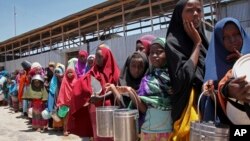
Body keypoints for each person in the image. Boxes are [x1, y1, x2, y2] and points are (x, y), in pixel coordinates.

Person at [107, 38, 173, 141]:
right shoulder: (147, 80)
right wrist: (129, 91)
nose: (155, 55)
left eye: (159, 52)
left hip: (168, 132)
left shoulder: (175, 78)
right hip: (147, 131)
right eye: (151, 53)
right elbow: (143, 108)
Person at [164, 0, 209, 140]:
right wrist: (196, 45)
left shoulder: (204, 40)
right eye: (189, 10)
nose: (195, 14)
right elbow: (181, 79)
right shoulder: (173, 43)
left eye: (199, 10)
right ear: (179, 15)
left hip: (206, 103)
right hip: (186, 107)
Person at [68, 44, 120, 141]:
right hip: (95, 109)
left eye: (100, 56)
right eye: (97, 56)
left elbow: (118, 90)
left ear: (107, 57)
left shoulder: (115, 72)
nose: (97, 59)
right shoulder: (93, 71)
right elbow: (82, 83)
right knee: (98, 134)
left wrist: (101, 97)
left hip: (111, 109)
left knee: (112, 135)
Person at [204, 17, 250, 125]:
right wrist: (214, 91)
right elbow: (207, 95)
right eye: (226, 37)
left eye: (236, 34)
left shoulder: (248, 58)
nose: (232, 40)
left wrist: (244, 62)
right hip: (226, 122)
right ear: (220, 40)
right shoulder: (213, 63)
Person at [56, 64, 77, 136]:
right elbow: (62, 92)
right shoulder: (64, 81)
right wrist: (61, 102)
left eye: (71, 72)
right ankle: (65, 130)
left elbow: (77, 91)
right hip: (65, 103)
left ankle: (69, 129)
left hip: (73, 102)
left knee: (72, 118)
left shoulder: (75, 81)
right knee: (66, 117)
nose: (70, 74)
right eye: (68, 72)